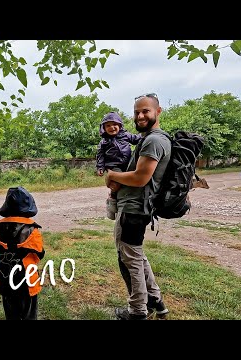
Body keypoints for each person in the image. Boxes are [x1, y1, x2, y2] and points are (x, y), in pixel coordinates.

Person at [105, 93, 171, 320]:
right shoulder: (150, 138)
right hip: (138, 208)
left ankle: (137, 312)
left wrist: (112, 175)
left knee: (129, 261)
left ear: (158, 111)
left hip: (133, 209)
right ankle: (156, 302)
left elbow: (140, 178)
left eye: (146, 111)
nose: (140, 116)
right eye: (136, 112)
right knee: (136, 256)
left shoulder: (154, 140)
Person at [0, 186, 45, 320]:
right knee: (29, 315)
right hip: (27, 283)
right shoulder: (33, 230)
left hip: (5, 279)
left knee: (11, 314)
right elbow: (39, 255)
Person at [96, 112, 141, 220]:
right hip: (113, 166)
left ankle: (125, 201)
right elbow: (100, 155)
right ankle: (112, 200)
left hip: (127, 163)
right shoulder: (104, 142)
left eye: (114, 124)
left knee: (130, 180)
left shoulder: (125, 135)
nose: (112, 127)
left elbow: (136, 139)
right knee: (116, 184)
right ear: (104, 128)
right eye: (108, 125)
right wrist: (100, 167)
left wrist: (146, 135)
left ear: (120, 125)